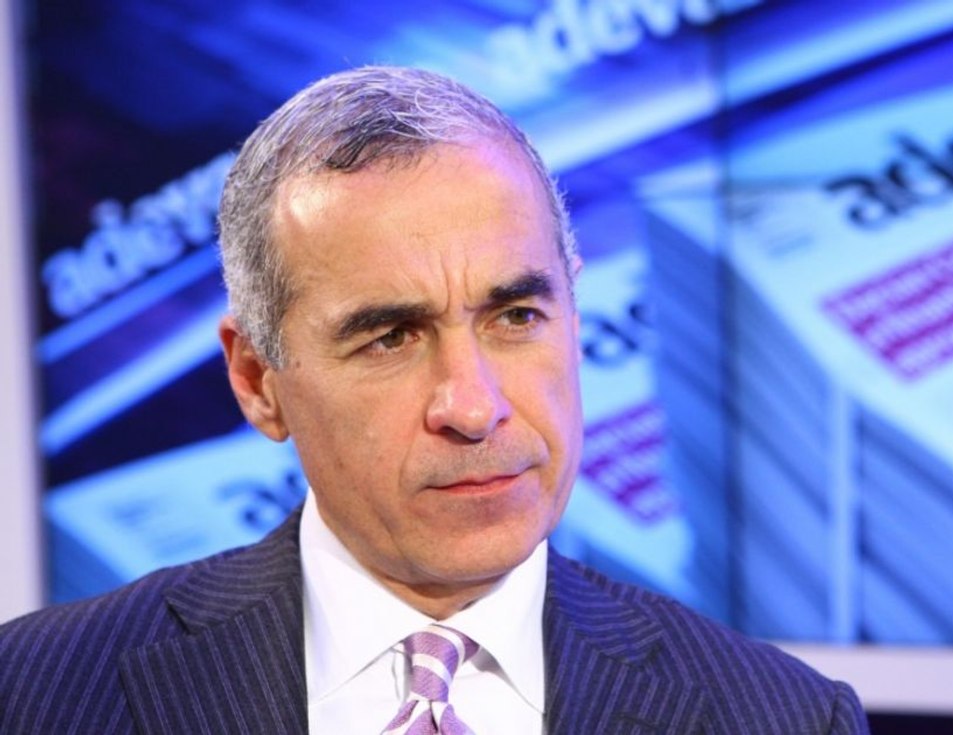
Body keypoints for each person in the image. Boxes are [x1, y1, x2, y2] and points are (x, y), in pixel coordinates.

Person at [0, 66, 868, 734]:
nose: (473, 406)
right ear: (258, 381)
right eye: (390, 337)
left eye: (516, 316)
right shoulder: (36, 693)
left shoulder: (783, 718)